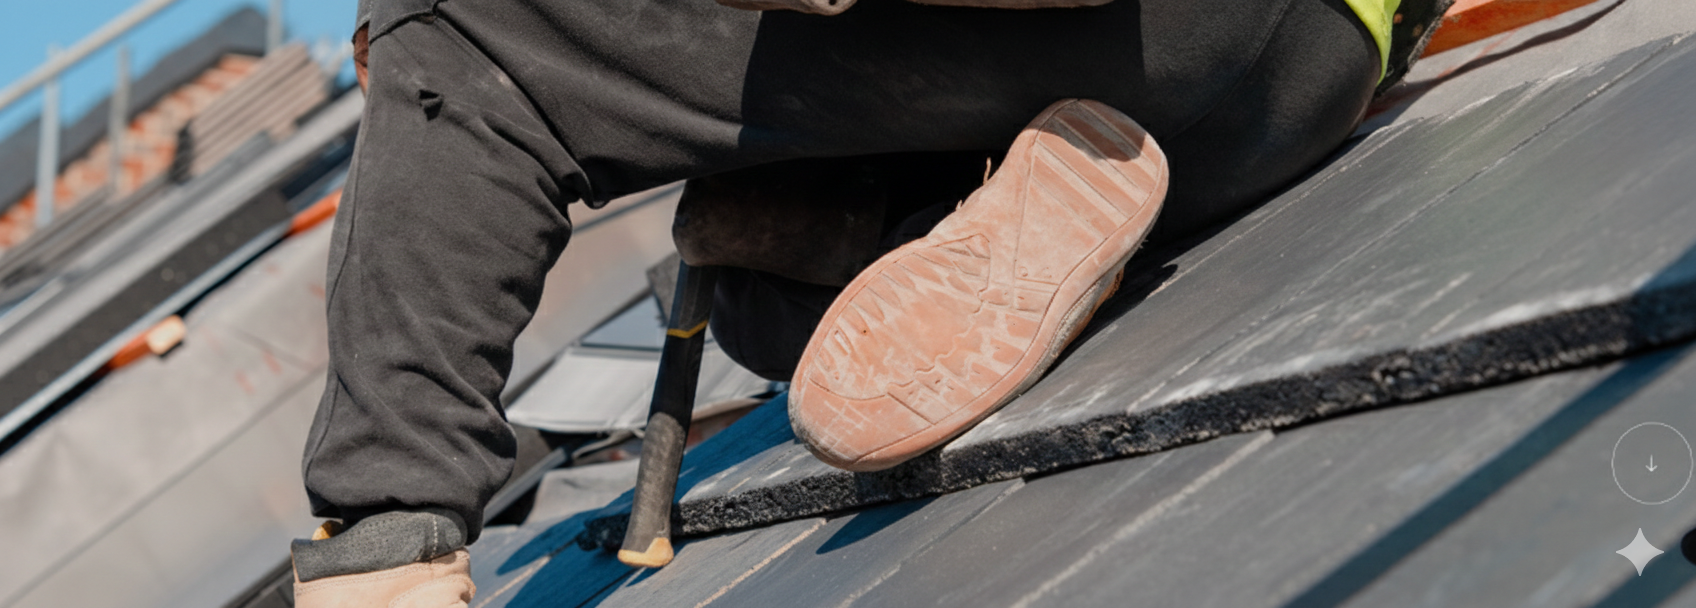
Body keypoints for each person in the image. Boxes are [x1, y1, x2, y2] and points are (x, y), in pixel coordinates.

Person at [289, 0, 1434, 604]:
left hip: (1142, 30)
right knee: (748, 283)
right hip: (1299, 71)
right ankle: (993, 213)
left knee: (457, 21)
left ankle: (385, 545)